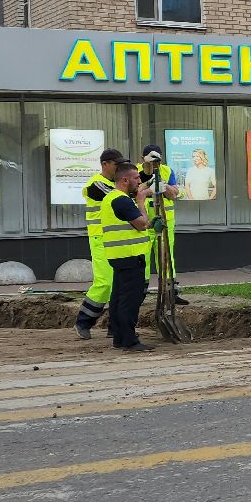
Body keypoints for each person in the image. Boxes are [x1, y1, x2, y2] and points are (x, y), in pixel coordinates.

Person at [99, 159, 155, 352]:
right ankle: (129, 340)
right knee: (130, 300)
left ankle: (119, 337)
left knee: (118, 297)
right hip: (130, 256)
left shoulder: (111, 198)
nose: (139, 181)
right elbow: (141, 224)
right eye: (136, 178)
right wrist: (141, 201)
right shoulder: (122, 200)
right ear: (125, 180)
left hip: (119, 256)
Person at [75, 148, 125, 340]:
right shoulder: (96, 184)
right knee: (105, 282)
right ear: (105, 164)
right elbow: (119, 199)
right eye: (116, 164)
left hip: (115, 239)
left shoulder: (114, 183)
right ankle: (83, 321)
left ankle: (115, 326)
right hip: (100, 239)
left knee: (118, 283)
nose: (119, 168)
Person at [139, 144, 187, 305]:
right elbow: (134, 192)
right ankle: (139, 294)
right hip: (144, 222)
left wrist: (162, 185)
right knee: (142, 258)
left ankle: (171, 293)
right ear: (143, 159)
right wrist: (148, 186)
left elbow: (174, 194)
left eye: (158, 160)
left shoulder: (167, 171)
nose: (155, 164)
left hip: (165, 222)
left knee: (166, 256)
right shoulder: (136, 172)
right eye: (151, 160)